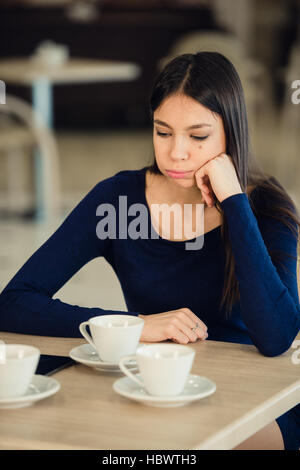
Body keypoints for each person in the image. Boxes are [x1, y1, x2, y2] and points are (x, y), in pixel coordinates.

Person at [0, 52, 299, 449]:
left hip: (256, 398)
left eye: (198, 136)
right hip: (156, 385)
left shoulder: (266, 206)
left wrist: (233, 201)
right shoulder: (117, 200)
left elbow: (277, 335)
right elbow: (15, 301)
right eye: (163, 132)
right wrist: (135, 326)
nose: (177, 152)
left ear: (230, 133)